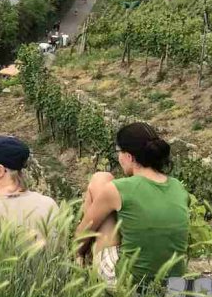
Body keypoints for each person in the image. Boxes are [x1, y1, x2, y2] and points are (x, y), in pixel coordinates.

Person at [75, 122, 189, 284]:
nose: (118, 157)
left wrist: (76, 251)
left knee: (100, 179)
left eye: (119, 151)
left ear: (129, 156)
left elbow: (82, 233)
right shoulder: (178, 187)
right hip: (173, 282)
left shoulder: (119, 188)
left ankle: (81, 260)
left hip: (128, 283)